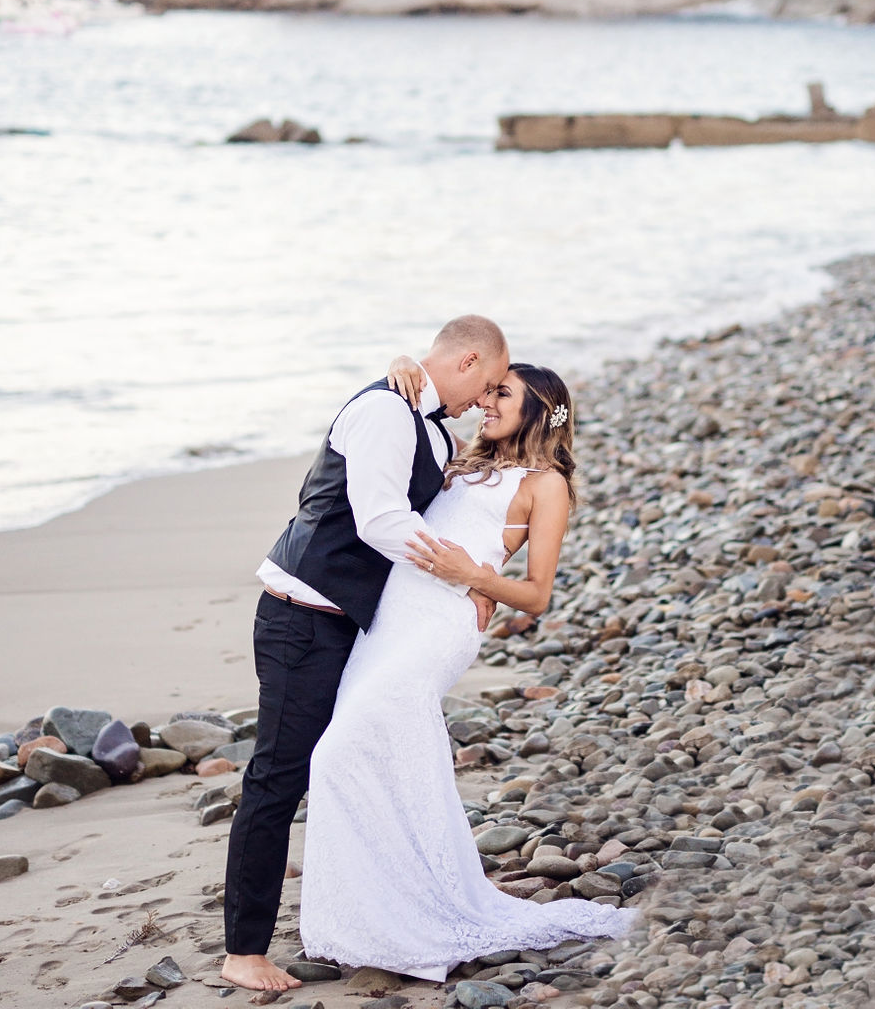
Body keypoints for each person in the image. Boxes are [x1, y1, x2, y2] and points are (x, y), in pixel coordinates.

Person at [297, 360, 637, 980]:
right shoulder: (460, 456)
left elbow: (537, 595)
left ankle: (407, 911)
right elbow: (409, 432)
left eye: (502, 395)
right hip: (388, 620)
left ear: (539, 408)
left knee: (336, 754)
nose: (488, 403)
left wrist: (477, 579)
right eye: (488, 392)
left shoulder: (546, 483)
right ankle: (375, 911)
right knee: (381, 754)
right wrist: (404, 364)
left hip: (439, 624)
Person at [221, 315, 510, 994]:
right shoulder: (386, 412)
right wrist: (462, 574)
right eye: (488, 383)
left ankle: (372, 918)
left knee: (350, 762)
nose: (485, 400)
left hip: (347, 625)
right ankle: (242, 950)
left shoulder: (429, 424)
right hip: (301, 620)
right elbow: (380, 518)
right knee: (278, 777)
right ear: (468, 360)